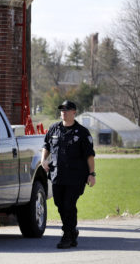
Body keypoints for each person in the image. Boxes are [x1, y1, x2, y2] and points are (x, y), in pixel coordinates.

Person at [42, 100, 96, 249]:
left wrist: (92, 174)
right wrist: (43, 160)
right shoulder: (54, 129)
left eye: (67, 110)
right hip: (57, 174)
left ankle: (66, 235)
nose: (63, 112)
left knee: (68, 204)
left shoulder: (82, 132)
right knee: (59, 204)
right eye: (62, 110)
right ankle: (72, 231)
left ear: (74, 112)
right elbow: (46, 145)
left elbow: (89, 155)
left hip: (76, 176)